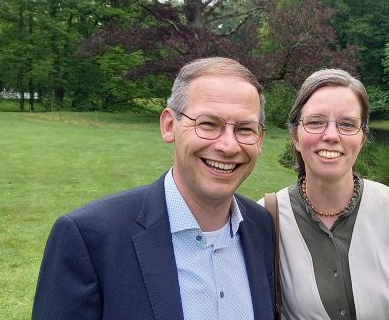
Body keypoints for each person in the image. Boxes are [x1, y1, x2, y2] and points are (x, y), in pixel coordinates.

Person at [32, 57, 276, 319]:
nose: (228, 146)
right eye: (208, 124)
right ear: (170, 125)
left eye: (245, 129)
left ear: (259, 140)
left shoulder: (261, 226)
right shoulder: (89, 238)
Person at [263, 69, 389, 320]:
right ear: (296, 136)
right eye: (316, 122)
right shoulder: (265, 218)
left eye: (347, 124)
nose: (331, 135)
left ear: (362, 138)